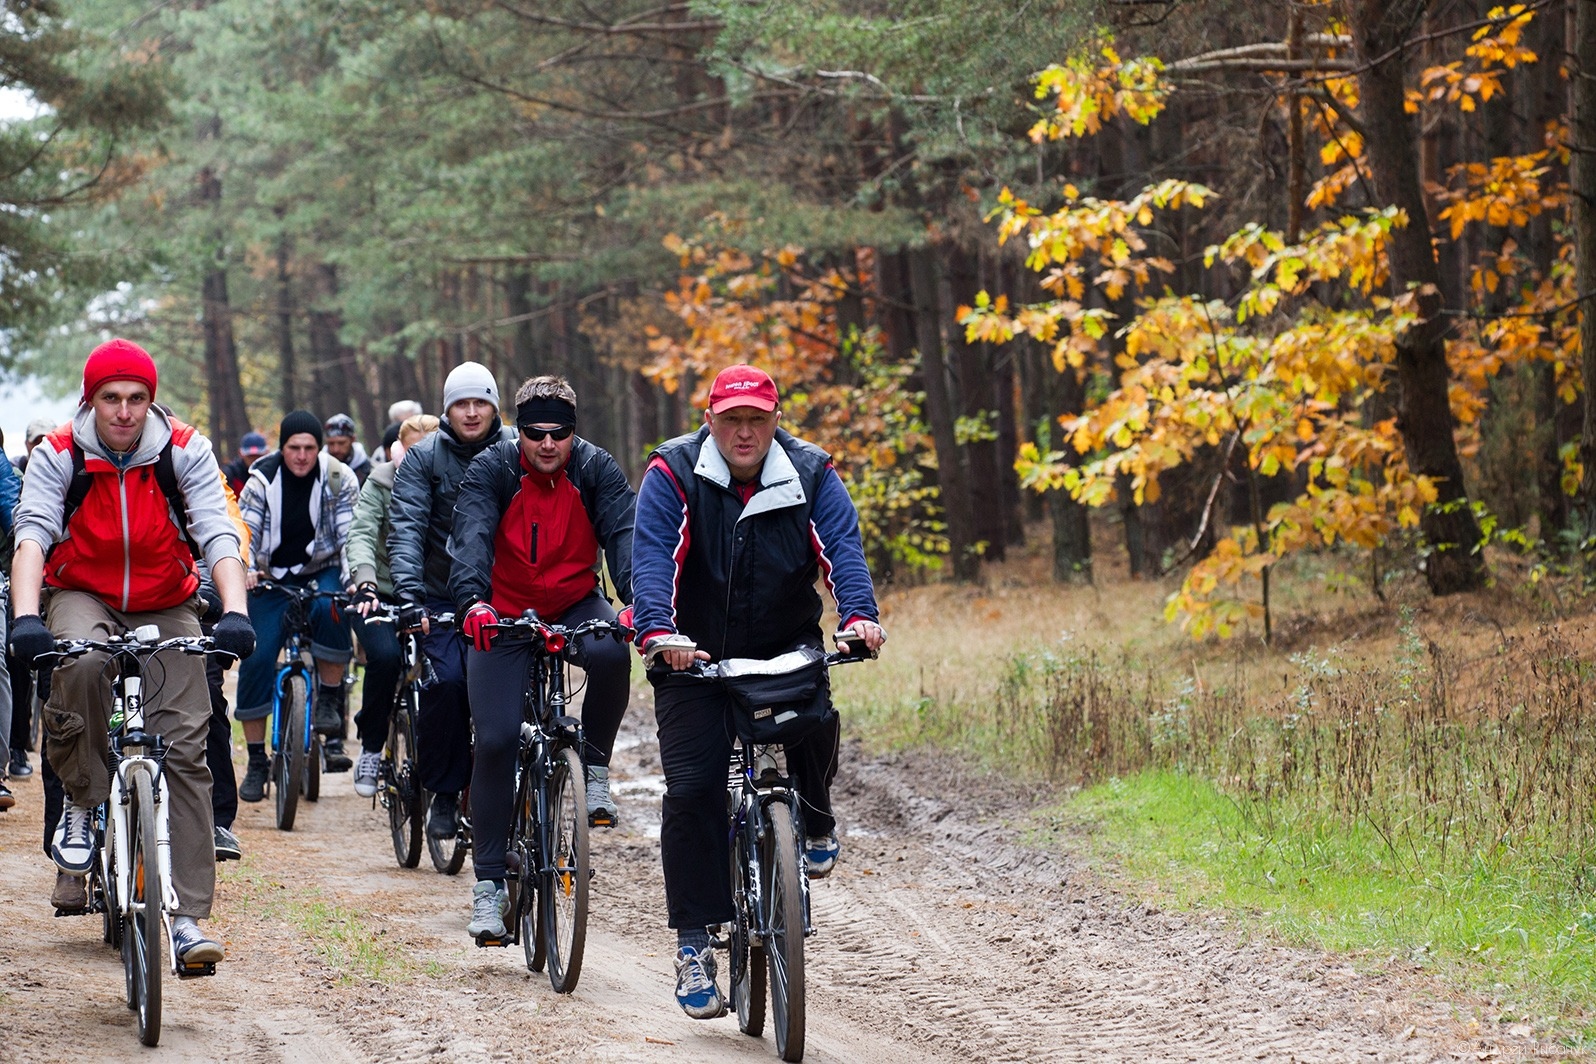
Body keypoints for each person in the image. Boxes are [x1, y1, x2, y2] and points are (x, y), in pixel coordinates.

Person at [630, 364, 886, 1019]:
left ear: (775, 421)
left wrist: (858, 615)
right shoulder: (673, 473)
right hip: (693, 658)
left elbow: (842, 551)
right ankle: (693, 945)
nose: (744, 432)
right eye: (731, 419)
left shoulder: (811, 473)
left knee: (815, 717)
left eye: (757, 420)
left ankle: (816, 819)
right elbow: (654, 558)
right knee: (693, 791)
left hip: (781, 646)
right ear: (709, 419)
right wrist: (659, 630)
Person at [7, 338, 255, 963]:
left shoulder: (183, 450)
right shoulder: (60, 453)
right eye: (111, 399)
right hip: (82, 592)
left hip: (166, 598)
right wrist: (27, 617)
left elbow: (216, 532)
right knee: (83, 664)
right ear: (91, 399)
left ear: (151, 399)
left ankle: (189, 919)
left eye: (136, 399)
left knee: (187, 750)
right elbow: (33, 534)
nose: (124, 411)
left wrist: (235, 612)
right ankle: (82, 807)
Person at [448, 376, 635, 942]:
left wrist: (636, 605)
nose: (548, 445)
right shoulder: (493, 469)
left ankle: (594, 770)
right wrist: (473, 602)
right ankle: (487, 887)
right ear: (518, 429)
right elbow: (471, 539)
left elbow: (625, 537)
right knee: (499, 739)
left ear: (574, 433)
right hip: (503, 611)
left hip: (577, 600)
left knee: (611, 654)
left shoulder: (597, 470)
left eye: (560, 434)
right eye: (535, 433)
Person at [388, 363, 513, 842]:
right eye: (462, 403)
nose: (472, 411)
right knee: (449, 686)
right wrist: (409, 597)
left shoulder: (516, 449)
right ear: (446, 410)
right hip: (441, 597)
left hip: (505, 594)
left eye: (481, 402)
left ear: (495, 407)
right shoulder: (424, 459)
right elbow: (407, 530)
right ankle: (443, 790)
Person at [235, 411, 360, 797]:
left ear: (318, 448)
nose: (302, 456)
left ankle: (329, 700)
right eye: (294, 448)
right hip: (271, 576)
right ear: (282, 448)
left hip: (321, 567)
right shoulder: (260, 482)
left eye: (309, 448)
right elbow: (245, 532)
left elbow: (349, 538)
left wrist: (354, 580)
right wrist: (247, 568)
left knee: (332, 605)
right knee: (255, 656)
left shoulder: (339, 478)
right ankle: (257, 761)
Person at [343, 413, 439, 797]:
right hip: (379, 592)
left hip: (433, 594)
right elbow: (362, 532)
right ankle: (371, 747)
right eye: (412, 452)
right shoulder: (381, 481)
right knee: (383, 658)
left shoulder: (454, 478)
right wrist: (365, 582)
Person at [323, 413, 373, 485]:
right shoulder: (318, 468)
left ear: (353, 439)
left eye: (341, 443)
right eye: (331, 443)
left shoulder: (370, 470)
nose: (335, 449)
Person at [223, 431, 268, 496]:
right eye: (250, 456)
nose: (254, 460)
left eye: (258, 455)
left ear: (266, 453)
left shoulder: (273, 472)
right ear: (241, 454)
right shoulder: (229, 474)